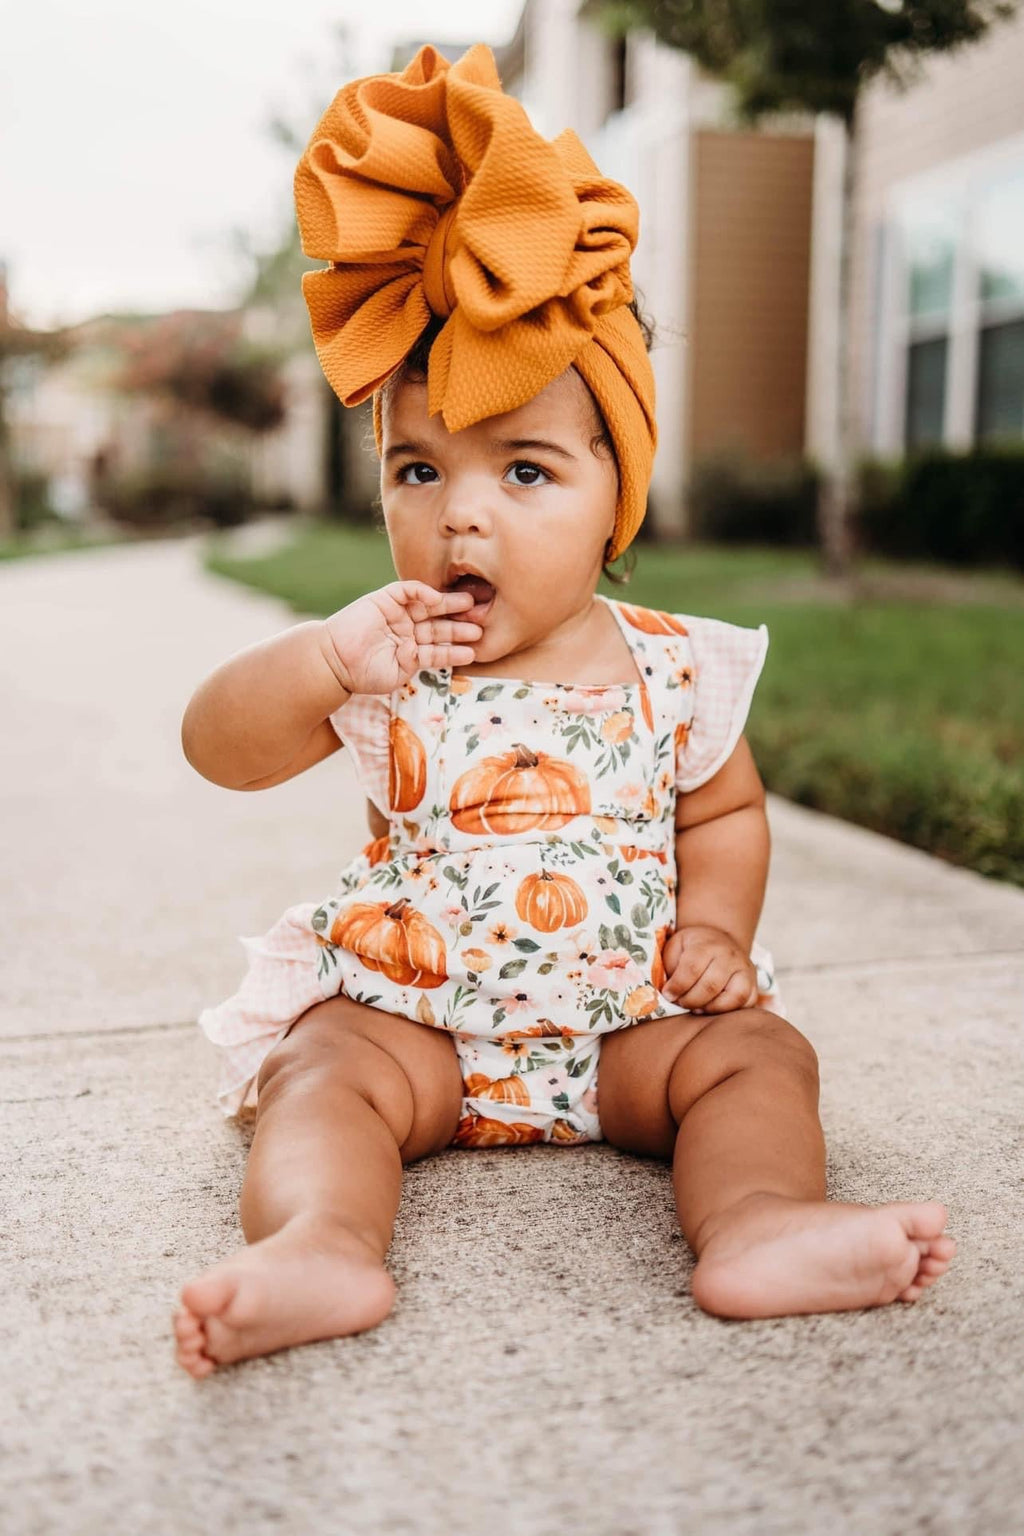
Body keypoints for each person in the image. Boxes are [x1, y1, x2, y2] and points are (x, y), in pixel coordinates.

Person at [173, 42, 955, 1378]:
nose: (460, 515)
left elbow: (728, 812)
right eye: (418, 470)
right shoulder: (389, 662)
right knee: (321, 1069)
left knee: (759, 1056)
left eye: (524, 471)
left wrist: (716, 931)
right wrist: (322, 661)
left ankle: (758, 1223)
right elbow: (218, 750)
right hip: (420, 1030)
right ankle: (320, 1242)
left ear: (614, 505)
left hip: (628, 1031)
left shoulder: (674, 668)